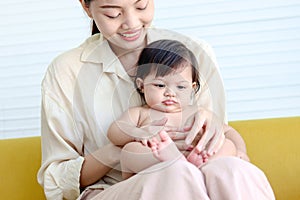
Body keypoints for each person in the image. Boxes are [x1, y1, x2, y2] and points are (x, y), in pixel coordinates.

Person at [37, 0, 275, 199]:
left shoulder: (196, 52)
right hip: (113, 189)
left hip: (198, 174)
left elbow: (219, 143)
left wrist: (220, 140)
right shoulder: (66, 70)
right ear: (86, 7)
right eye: (113, 13)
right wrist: (126, 151)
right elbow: (55, 180)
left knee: (233, 171)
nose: (131, 23)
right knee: (175, 174)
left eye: (141, 6)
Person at [107, 39, 238, 179]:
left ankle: (198, 167)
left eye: (181, 87)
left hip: (196, 156)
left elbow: (228, 131)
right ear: (142, 85)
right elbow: (114, 132)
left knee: (228, 145)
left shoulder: (197, 113)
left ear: (192, 89)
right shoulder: (140, 113)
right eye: (160, 85)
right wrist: (138, 132)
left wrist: (241, 151)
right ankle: (173, 164)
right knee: (129, 151)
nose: (170, 93)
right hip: (157, 161)